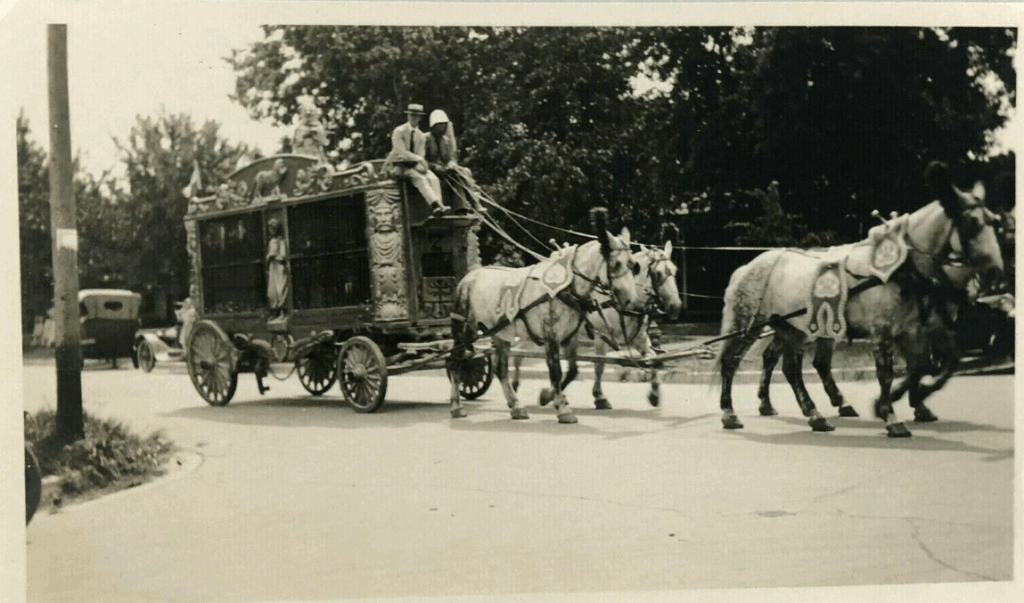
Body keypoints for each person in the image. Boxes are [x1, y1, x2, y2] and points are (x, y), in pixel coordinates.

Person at [385, 103, 449, 216]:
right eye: (411, 115)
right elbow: (401, 152)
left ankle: (440, 208)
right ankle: (435, 205)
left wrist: (421, 165)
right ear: (408, 116)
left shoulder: (420, 135)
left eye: (416, 116)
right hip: (397, 166)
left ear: (420, 118)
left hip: (412, 165)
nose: (414, 118)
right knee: (419, 178)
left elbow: (421, 154)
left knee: (433, 178)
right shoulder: (399, 131)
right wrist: (418, 159)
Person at [425, 109, 488, 215]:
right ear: (433, 125)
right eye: (439, 125)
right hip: (431, 171)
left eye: (444, 124)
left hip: (445, 170)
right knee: (458, 175)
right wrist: (435, 166)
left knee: (459, 173)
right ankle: (474, 203)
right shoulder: (425, 138)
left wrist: (451, 164)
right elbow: (422, 159)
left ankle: (463, 207)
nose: (442, 127)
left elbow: (450, 158)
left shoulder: (445, 140)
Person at [266, 219, 289, 320]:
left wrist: (273, 255)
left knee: (280, 289)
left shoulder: (281, 241)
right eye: (270, 228)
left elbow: (282, 255)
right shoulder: (272, 241)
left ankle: (282, 311)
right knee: (272, 290)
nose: (271, 230)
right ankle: (274, 311)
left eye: (273, 228)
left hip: (279, 266)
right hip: (273, 266)